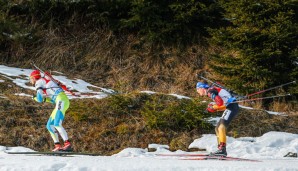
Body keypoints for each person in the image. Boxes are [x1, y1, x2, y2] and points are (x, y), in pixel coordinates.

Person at [29, 70, 72, 152]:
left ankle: (67, 144)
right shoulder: (45, 82)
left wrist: (35, 98)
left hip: (61, 100)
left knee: (56, 123)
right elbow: (52, 100)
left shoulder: (39, 82)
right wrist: (44, 99)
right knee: (49, 125)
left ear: (34, 78)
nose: (30, 81)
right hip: (60, 101)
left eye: (31, 78)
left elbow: (39, 99)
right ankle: (57, 145)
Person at [196, 81, 238, 157]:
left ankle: (222, 150)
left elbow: (220, 103)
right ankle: (220, 149)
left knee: (221, 127)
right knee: (217, 128)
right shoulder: (212, 90)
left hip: (232, 107)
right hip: (230, 107)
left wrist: (213, 107)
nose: (197, 92)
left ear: (202, 88)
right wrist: (214, 108)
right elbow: (223, 106)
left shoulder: (210, 91)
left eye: (197, 89)